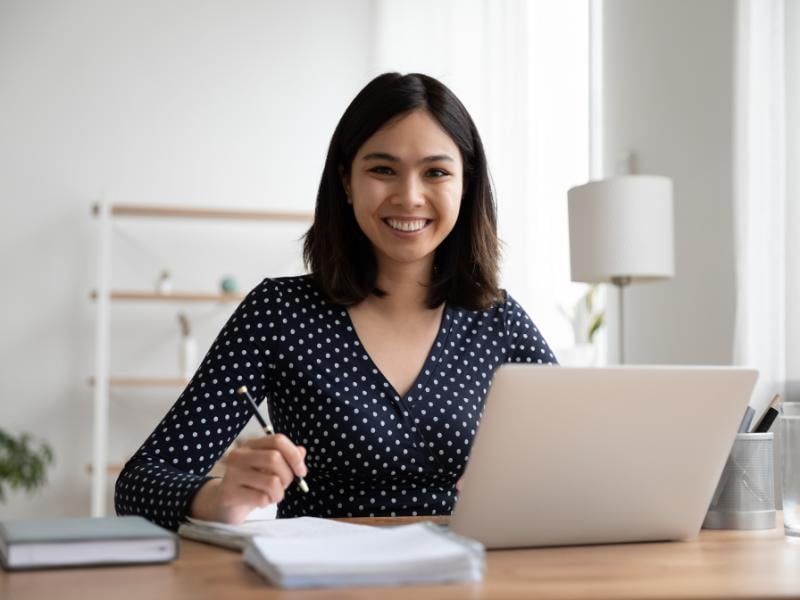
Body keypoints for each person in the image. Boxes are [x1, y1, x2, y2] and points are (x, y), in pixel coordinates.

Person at [115, 72, 557, 530]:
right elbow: (138, 484)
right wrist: (220, 497)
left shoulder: (499, 322)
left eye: (436, 172)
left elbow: (585, 464)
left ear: (465, 186)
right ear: (346, 181)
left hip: (469, 576)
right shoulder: (278, 312)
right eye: (383, 169)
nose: (409, 196)